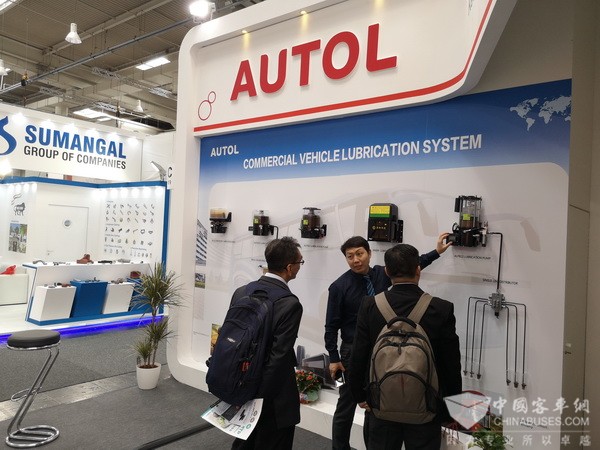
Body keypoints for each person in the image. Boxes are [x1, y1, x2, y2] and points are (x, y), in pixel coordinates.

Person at [324, 233, 451, 450]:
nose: (355, 260)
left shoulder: (382, 274)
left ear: (369, 253)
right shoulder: (339, 286)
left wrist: (437, 252)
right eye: (350, 256)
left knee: (374, 404)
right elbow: (331, 326)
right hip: (352, 351)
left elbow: (412, 265)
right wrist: (334, 358)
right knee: (347, 403)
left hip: (383, 349)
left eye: (359, 254)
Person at [231, 236, 304, 450]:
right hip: (274, 395)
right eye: (300, 262)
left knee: (244, 440)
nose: (299, 266)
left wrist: (246, 392)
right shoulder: (289, 304)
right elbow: (278, 357)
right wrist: (260, 396)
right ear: (289, 268)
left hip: (241, 382)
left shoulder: (241, 291)